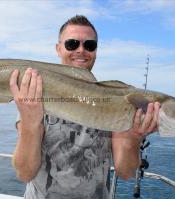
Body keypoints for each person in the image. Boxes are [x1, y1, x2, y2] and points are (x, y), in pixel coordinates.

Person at [9, 15, 160, 199]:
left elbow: (126, 172)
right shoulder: (35, 96)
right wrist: (30, 124)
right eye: (72, 44)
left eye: (89, 45)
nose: (81, 50)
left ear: (96, 51)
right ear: (58, 48)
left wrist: (134, 138)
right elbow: (25, 173)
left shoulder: (117, 99)